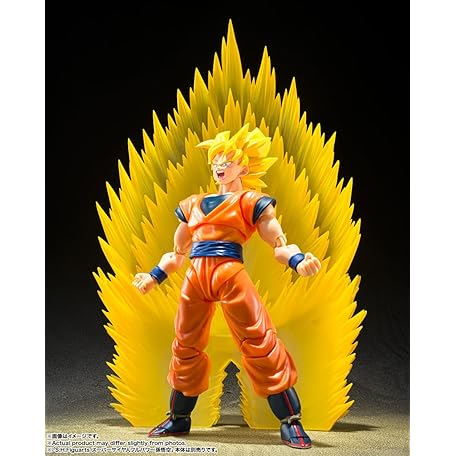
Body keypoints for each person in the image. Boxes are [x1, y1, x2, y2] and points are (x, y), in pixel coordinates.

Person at [132, 124, 321, 449]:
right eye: (216, 160)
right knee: (185, 345)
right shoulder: (193, 204)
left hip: (231, 274)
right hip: (196, 277)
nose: (220, 165)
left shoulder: (251, 201)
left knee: (260, 341)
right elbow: (176, 253)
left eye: (227, 160)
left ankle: (291, 421)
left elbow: (279, 244)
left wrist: (298, 261)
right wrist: (154, 276)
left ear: (243, 168)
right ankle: (178, 418)